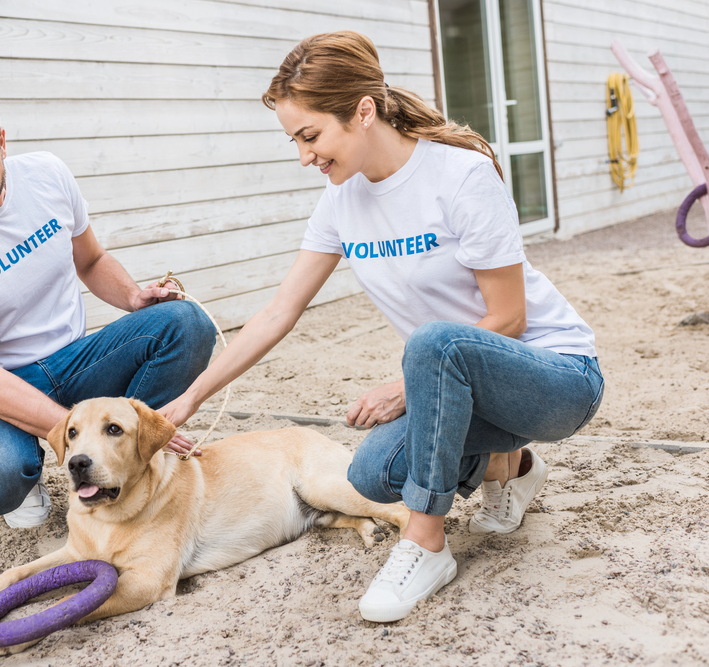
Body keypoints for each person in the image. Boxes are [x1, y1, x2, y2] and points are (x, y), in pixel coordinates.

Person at [160, 32, 604, 622]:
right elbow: (276, 313)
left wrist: (406, 388)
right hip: (463, 383)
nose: (304, 156)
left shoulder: (461, 175)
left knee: (434, 342)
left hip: (558, 379)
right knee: (372, 473)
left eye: (311, 136)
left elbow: (509, 318)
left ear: (363, 111)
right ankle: (514, 466)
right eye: (294, 140)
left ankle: (425, 544)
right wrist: (187, 400)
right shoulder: (340, 202)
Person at [0, 78, 215, 529]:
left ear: (2, 142)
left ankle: (127, 460)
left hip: (77, 360)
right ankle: (37, 474)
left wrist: (131, 296)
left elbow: (92, 260)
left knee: (186, 324)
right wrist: (81, 434)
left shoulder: (46, 174)